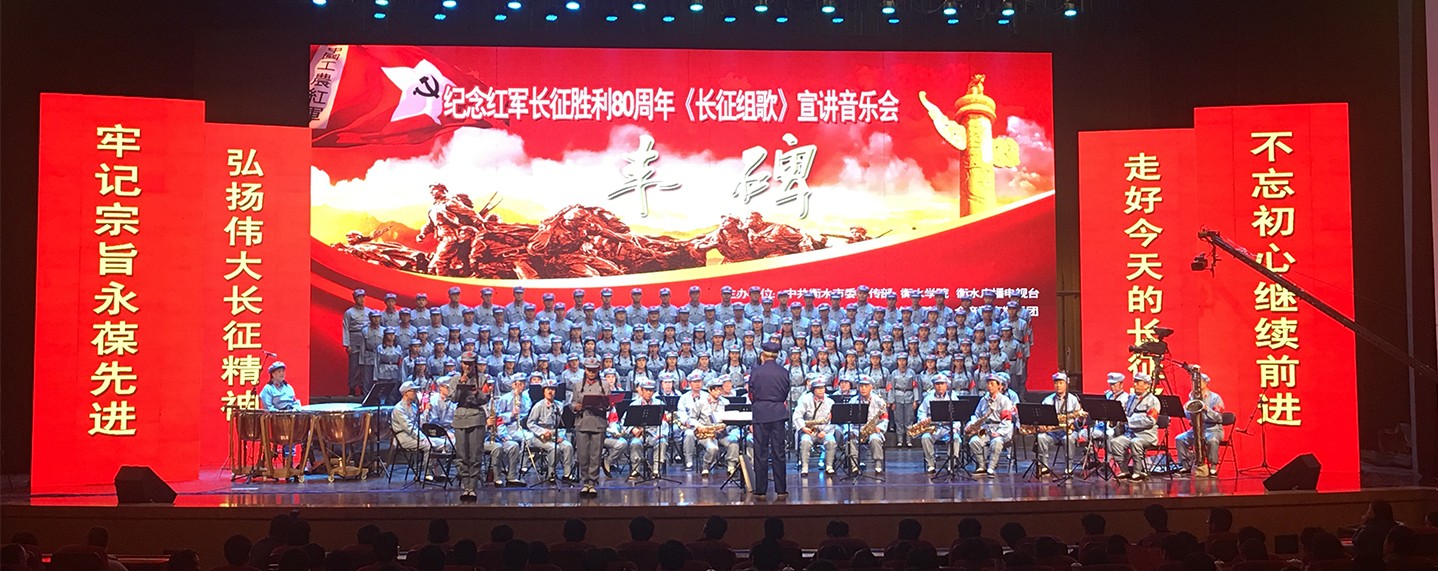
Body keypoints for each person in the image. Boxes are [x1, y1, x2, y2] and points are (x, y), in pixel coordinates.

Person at [449, 351, 493, 502]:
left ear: (474, 364)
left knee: (475, 454)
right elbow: (453, 398)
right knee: (461, 454)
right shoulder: (455, 379)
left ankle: (472, 487)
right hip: (460, 417)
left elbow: (485, 399)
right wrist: (461, 384)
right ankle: (465, 485)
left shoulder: (482, 379)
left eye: (470, 363)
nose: (467, 366)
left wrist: (476, 392)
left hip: (476, 417)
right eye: (465, 363)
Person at [748, 341, 790, 497]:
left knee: (760, 452)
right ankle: (781, 488)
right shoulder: (783, 372)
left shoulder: (756, 372)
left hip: (761, 413)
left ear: (763, 355)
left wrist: (759, 403)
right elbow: (785, 392)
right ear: (777, 355)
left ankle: (761, 489)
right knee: (779, 451)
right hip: (778, 413)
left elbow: (751, 393)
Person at [392, 381, 449, 481]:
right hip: (404, 437)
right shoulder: (398, 409)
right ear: (406, 393)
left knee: (445, 443)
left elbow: (420, 423)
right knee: (428, 445)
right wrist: (422, 438)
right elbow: (408, 427)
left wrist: (426, 410)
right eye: (413, 391)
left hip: (416, 434)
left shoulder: (413, 407)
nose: (415, 393)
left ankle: (438, 472)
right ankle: (427, 472)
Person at [571, 357, 611, 497]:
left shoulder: (604, 385)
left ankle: (592, 482)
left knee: (595, 454)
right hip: (582, 422)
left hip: (598, 422)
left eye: (594, 370)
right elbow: (572, 403)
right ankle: (585, 481)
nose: (591, 373)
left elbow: (609, 404)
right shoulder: (578, 385)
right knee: (582, 455)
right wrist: (576, 406)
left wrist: (604, 405)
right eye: (589, 370)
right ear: (585, 370)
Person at [1109, 372, 1161, 480]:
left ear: (1147, 385)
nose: (1135, 385)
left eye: (1138, 382)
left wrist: (1130, 422)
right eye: (1135, 382)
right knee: (1115, 442)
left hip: (1146, 436)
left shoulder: (1153, 401)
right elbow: (1126, 413)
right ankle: (1124, 470)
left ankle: (1138, 472)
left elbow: (1151, 420)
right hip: (1130, 434)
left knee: (1135, 442)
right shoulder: (1131, 398)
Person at [1035, 372, 1085, 476]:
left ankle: (1069, 467)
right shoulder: (1048, 400)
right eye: (1056, 383)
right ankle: (1044, 466)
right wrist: (1041, 424)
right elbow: (1041, 417)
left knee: (1068, 439)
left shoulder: (1073, 400)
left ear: (1066, 384)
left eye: (1061, 383)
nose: (1058, 385)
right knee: (1041, 437)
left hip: (1069, 431)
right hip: (1052, 432)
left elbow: (1078, 423)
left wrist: (1079, 420)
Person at [966, 373, 1016, 476]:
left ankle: (991, 466)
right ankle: (982, 465)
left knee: (996, 442)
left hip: (1000, 428)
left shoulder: (1005, 400)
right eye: (988, 384)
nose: (989, 386)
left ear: (999, 386)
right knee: (974, 441)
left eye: (992, 384)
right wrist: (972, 424)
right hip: (985, 429)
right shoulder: (983, 400)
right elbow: (976, 415)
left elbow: (1007, 419)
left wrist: (999, 432)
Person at [1176, 373, 1224, 477]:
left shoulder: (1215, 398)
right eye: (1194, 382)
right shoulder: (1192, 396)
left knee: (1212, 440)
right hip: (1196, 429)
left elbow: (1218, 417)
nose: (1195, 384)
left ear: (1206, 383)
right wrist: (1187, 409)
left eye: (1198, 382)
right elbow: (1188, 416)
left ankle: (1213, 466)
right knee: (1180, 439)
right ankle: (1186, 464)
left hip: (1213, 429)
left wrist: (1207, 409)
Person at [526, 380, 575, 482]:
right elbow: (530, 423)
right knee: (554, 448)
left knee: (568, 446)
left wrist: (561, 436)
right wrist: (542, 432)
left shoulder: (559, 405)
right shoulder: (538, 406)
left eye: (552, 389)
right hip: (539, 436)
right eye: (548, 389)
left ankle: (567, 474)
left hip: (554, 434)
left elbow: (562, 424)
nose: (550, 392)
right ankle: (551, 473)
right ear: (544, 391)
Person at [793, 375, 836, 476]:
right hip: (809, 430)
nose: (821, 390)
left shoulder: (830, 402)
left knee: (831, 441)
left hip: (825, 430)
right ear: (813, 390)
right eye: (818, 388)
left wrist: (825, 431)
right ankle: (804, 467)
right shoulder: (805, 400)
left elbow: (833, 420)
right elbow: (797, 415)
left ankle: (829, 466)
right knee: (805, 441)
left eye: (822, 388)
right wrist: (803, 428)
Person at [625, 379, 668, 480]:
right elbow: (625, 422)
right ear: (642, 390)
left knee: (662, 442)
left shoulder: (659, 403)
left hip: (654, 434)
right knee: (635, 443)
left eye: (651, 390)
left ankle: (656, 469)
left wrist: (660, 433)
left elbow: (664, 422)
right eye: (646, 390)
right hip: (640, 435)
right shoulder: (634, 404)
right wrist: (632, 429)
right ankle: (636, 470)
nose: (649, 393)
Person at [916, 373, 958, 473]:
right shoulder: (928, 398)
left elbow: (958, 415)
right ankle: (931, 463)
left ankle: (951, 464)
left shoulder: (952, 397)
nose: (940, 386)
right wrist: (923, 420)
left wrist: (955, 428)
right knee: (925, 438)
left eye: (942, 384)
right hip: (933, 428)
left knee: (956, 438)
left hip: (947, 428)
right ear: (934, 386)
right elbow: (921, 412)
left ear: (946, 385)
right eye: (937, 384)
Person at [847, 375, 888, 474]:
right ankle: (854, 465)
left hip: (873, 429)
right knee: (851, 439)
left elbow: (885, 418)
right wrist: (850, 430)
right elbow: (847, 419)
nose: (863, 388)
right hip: (857, 429)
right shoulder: (853, 400)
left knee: (875, 439)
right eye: (861, 386)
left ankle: (878, 465)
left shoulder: (879, 401)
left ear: (871, 387)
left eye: (866, 386)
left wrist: (879, 427)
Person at [343, 289, 370, 396]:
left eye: (363, 297)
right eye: (359, 297)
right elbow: (345, 328)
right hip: (354, 339)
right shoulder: (349, 312)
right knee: (354, 366)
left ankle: (364, 388)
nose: (361, 299)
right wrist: (347, 344)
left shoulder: (369, 312)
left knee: (365, 366)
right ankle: (352, 388)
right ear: (355, 298)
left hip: (366, 341)